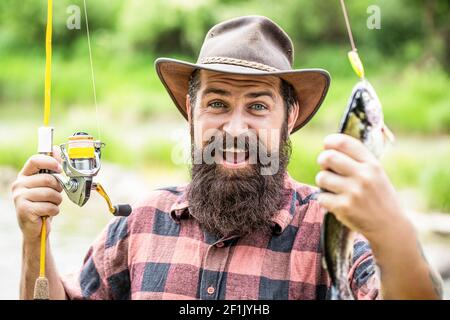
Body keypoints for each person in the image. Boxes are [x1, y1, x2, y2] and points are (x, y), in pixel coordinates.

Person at [12, 15, 442, 300]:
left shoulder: (333, 230)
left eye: (257, 106)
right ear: (191, 114)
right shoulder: (139, 222)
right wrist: (35, 238)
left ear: (288, 118)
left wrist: (392, 229)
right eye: (217, 104)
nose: (235, 129)